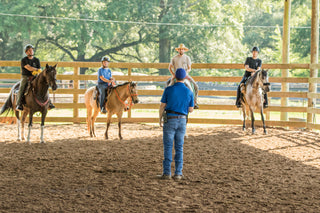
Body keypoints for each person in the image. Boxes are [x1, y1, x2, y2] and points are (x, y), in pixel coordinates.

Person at [159, 68, 194, 180]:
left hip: (170, 119)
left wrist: (159, 118)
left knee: (168, 146)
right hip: (182, 120)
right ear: (184, 78)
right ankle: (178, 173)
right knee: (179, 147)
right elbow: (191, 109)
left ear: (174, 77)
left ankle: (166, 173)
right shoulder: (189, 91)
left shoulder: (168, 89)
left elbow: (162, 105)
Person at [16, 44, 55, 111]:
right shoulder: (24, 60)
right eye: (29, 50)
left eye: (31, 50)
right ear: (26, 52)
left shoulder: (36, 60)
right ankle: (19, 104)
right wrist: (36, 70)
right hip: (26, 76)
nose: (31, 52)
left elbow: (39, 68)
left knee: (44, 86)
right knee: (22, 87)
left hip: (35, 77)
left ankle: (49, 103)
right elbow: (29, 68)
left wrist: (38, 71)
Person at [168, 44, 199, 109]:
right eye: (179, 49)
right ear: (178, 50)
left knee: (195, 86)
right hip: (176, 75)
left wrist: (186, 73)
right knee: (169, 86)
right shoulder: (174, 58)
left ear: (184, 50)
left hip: (185, 75)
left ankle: (194, 102)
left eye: (182, 49)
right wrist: (173, 74)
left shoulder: (187, 58)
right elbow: (169, 67)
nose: (181, 50)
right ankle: (166, 101)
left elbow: (189, 68)